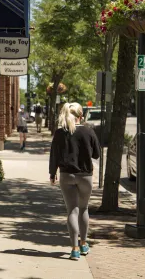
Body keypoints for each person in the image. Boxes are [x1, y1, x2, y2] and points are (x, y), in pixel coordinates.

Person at [49, 102, 100, 261]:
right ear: (81, 117)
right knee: (84, 209)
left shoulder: (59, 133)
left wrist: (52, 174)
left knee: (72, 210)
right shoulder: (88, 131)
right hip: (85, 175)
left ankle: (74, 249)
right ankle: (84, 244)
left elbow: (54, 156)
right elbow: (97, 154)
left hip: (66, 175)